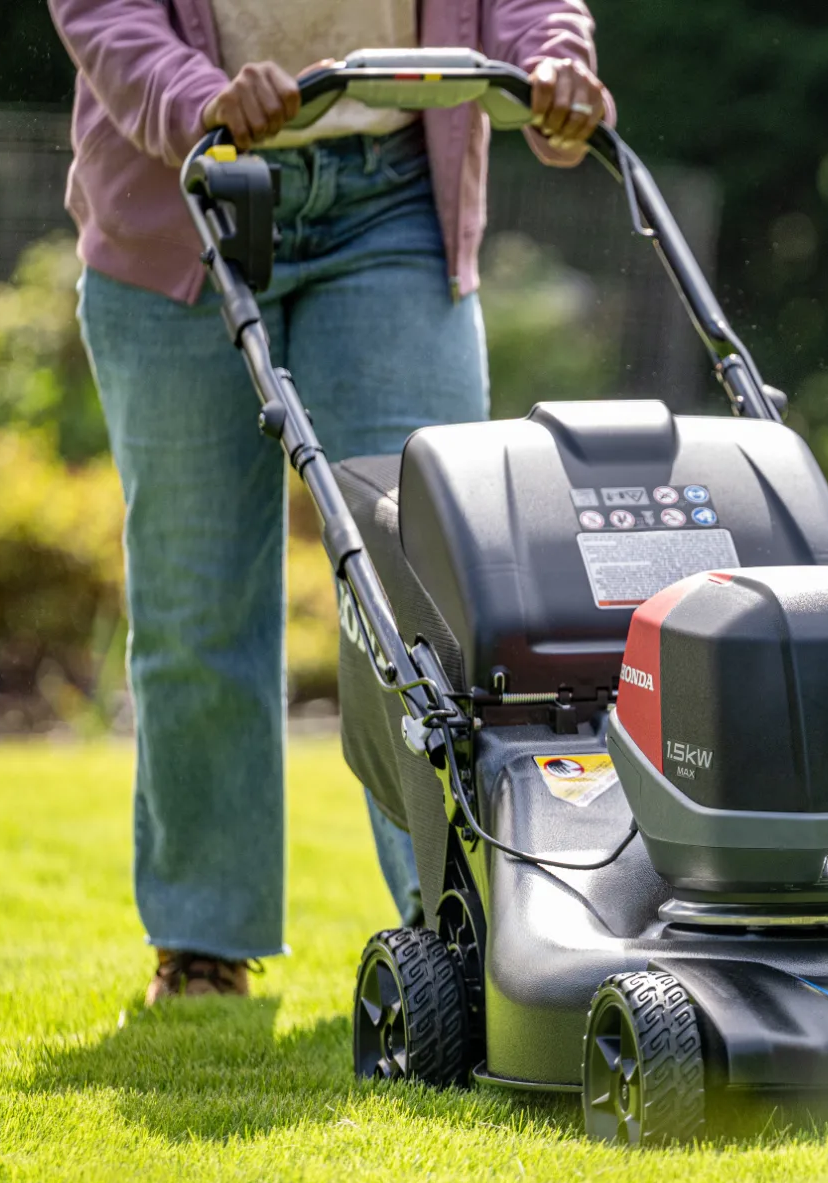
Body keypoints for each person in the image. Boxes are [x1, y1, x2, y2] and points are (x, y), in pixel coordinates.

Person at [47, 0, 613, 1003]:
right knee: (198, 591)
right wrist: (198, 97)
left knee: (433, 580)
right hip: (186, 198)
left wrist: (552, 59)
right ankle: (205, 940)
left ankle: (459, 928)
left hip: (393, 194)